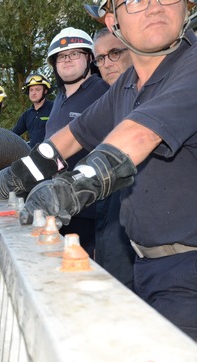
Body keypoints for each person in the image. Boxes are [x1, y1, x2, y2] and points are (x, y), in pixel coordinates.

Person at [0, 0, 197, 339]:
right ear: (112, 18)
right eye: (137, 0)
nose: (156, 7)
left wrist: (70, 188)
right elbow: (68, 140)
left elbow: (139, 135)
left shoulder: (192, 66)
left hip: (188, 274)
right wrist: (16, 177)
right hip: (149, 265)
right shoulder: (127, 85)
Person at [24, 27, 110, 258]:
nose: (67, 60)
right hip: (58, 205)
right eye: (62, 56)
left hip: (92, 210)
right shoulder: (59, 99)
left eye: (74, 54)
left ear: (89, 58)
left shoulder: (103, 92)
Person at [91, 26, 136, 290]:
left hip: (139, 236)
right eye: (100, 58)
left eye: (114, 53)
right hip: (107, 219)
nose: (107, 63)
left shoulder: (148, 95)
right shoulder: (109, 102)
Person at [11, 74, 54, 148]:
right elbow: (13, 134)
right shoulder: (27, 114)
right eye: (31, 90)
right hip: (33, 155)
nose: (33, 93)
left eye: (37, 89)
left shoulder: (54, 108)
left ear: (45, 91)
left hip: (52, 154)